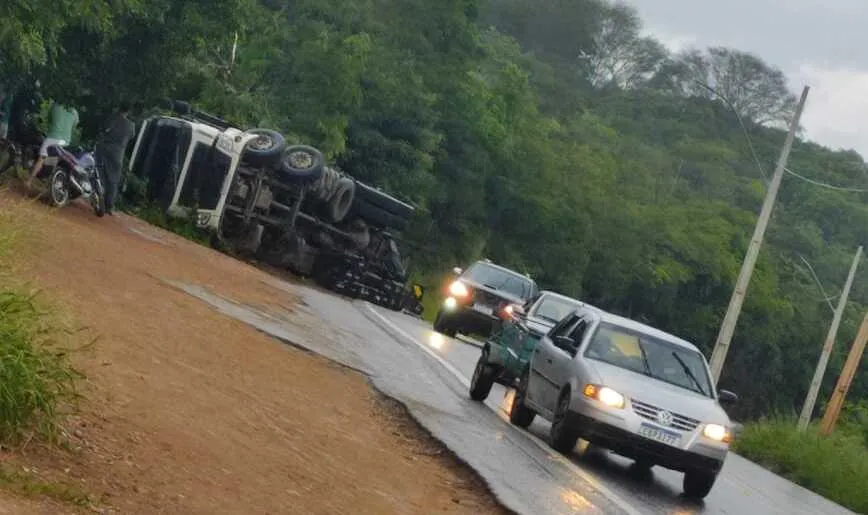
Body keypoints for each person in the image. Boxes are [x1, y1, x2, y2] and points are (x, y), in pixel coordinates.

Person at [95, 102, 136, 215]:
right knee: (113, 179)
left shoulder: (110, 119)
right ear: (129, 112)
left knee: (100, 175)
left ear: (119, 108)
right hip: (118, 153)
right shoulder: (131, 125)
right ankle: (109, 206)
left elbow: (102, 129)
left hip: (103, 148)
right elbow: (132, 136)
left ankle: (98, 200)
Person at [26, 101, 79, 187]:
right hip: (66, 141)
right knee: (58, 161)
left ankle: (29, 181)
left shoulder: (55, 105)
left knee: (41, 159)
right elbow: (74, 125)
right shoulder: (74, 111)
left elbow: (50, 120)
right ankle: (52, 182)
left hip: (52, 138)